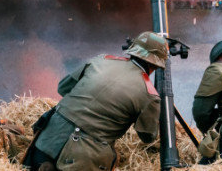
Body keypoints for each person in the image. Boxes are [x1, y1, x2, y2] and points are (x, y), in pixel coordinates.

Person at [23, 31, 167, 171]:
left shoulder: (101, 60)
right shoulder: (149, 94)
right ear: (155, 65)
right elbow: (148, 136)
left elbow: (63, 88)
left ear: (132, 50)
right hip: (82, 160)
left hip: (46, 143)